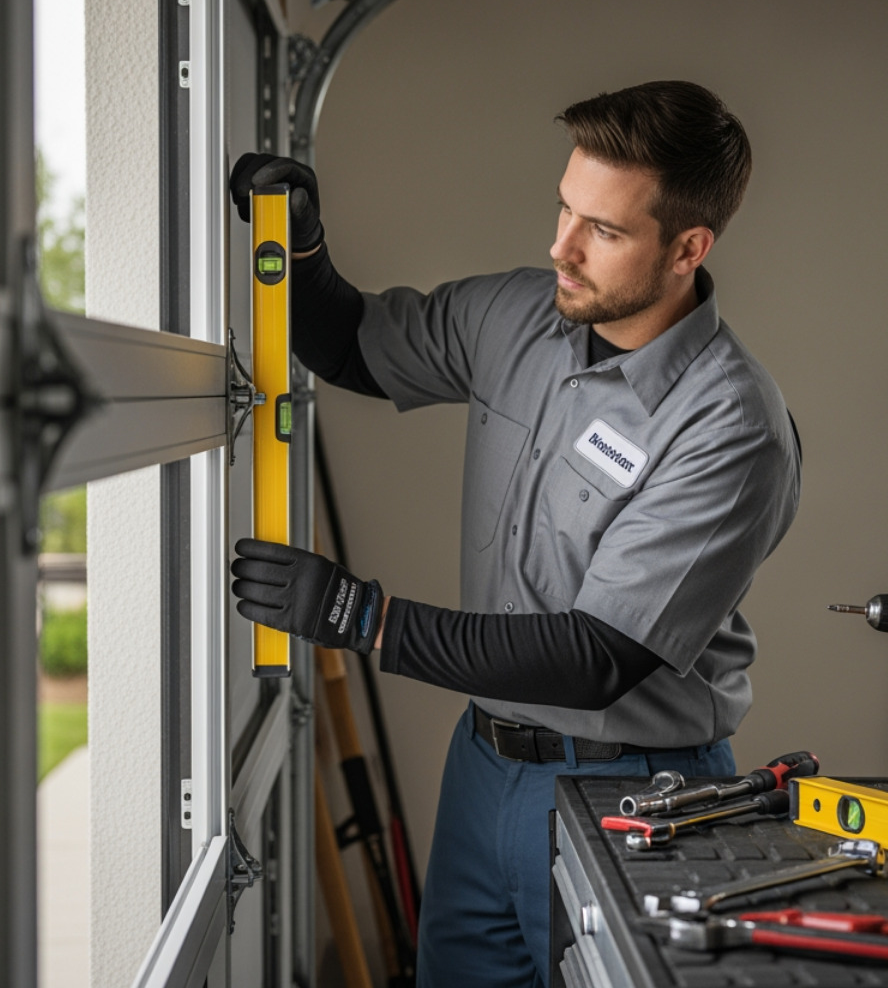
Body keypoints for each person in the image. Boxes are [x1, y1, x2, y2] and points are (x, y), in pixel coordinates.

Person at [228, 80, 800, 988]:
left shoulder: (730, 425)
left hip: (638, 791)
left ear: (689, 248)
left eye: (602, 231)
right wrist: (295, 246)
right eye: (563, 209)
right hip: (486, 766)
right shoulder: (522, 315)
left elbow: (597, 657)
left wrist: (358, 614)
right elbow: (351, 347)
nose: (560, 248)